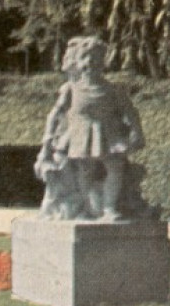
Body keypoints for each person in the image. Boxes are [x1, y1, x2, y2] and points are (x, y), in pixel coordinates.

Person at [35, 36, 145, 221]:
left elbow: (130, 111)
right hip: (81, 135)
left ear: (103, 62)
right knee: (86, 170)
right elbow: (56, 114)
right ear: (78, 62)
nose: (92, 62)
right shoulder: (71, 88)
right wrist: (47, 142)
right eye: (87, 57)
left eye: (97, 58)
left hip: (109, 134)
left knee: (115, 166)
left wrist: (137, 132)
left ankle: (109, 208)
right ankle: (90, 207)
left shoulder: (113, 89)